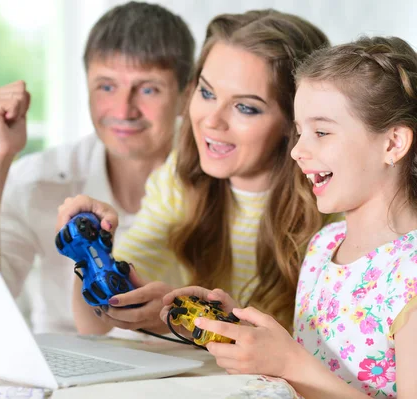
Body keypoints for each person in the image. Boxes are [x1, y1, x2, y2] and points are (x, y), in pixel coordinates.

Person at [163, 36, 417, 399]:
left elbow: (300, 366)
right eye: (299, 132)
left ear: (393, 144)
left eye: (322, 132)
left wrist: (288, 363)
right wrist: (240, 329)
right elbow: (323, 361)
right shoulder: (324, 245)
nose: (297, 151)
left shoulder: (411, 275)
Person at [57, 9, 337, 335]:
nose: (212, 121)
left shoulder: (336, 207)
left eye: (245, 107)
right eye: (206, 93)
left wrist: (183, 318)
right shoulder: (177, 184)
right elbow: (95, 325)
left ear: (295, 122)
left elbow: (326, 359)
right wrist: (95, 254)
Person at [0, 2, 195, 334]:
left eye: (148, 89)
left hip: (180, 369)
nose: (124, 110)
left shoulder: (216, 181)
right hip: (68, 364)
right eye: (107, 86)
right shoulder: (39, 179)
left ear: (187, 95)